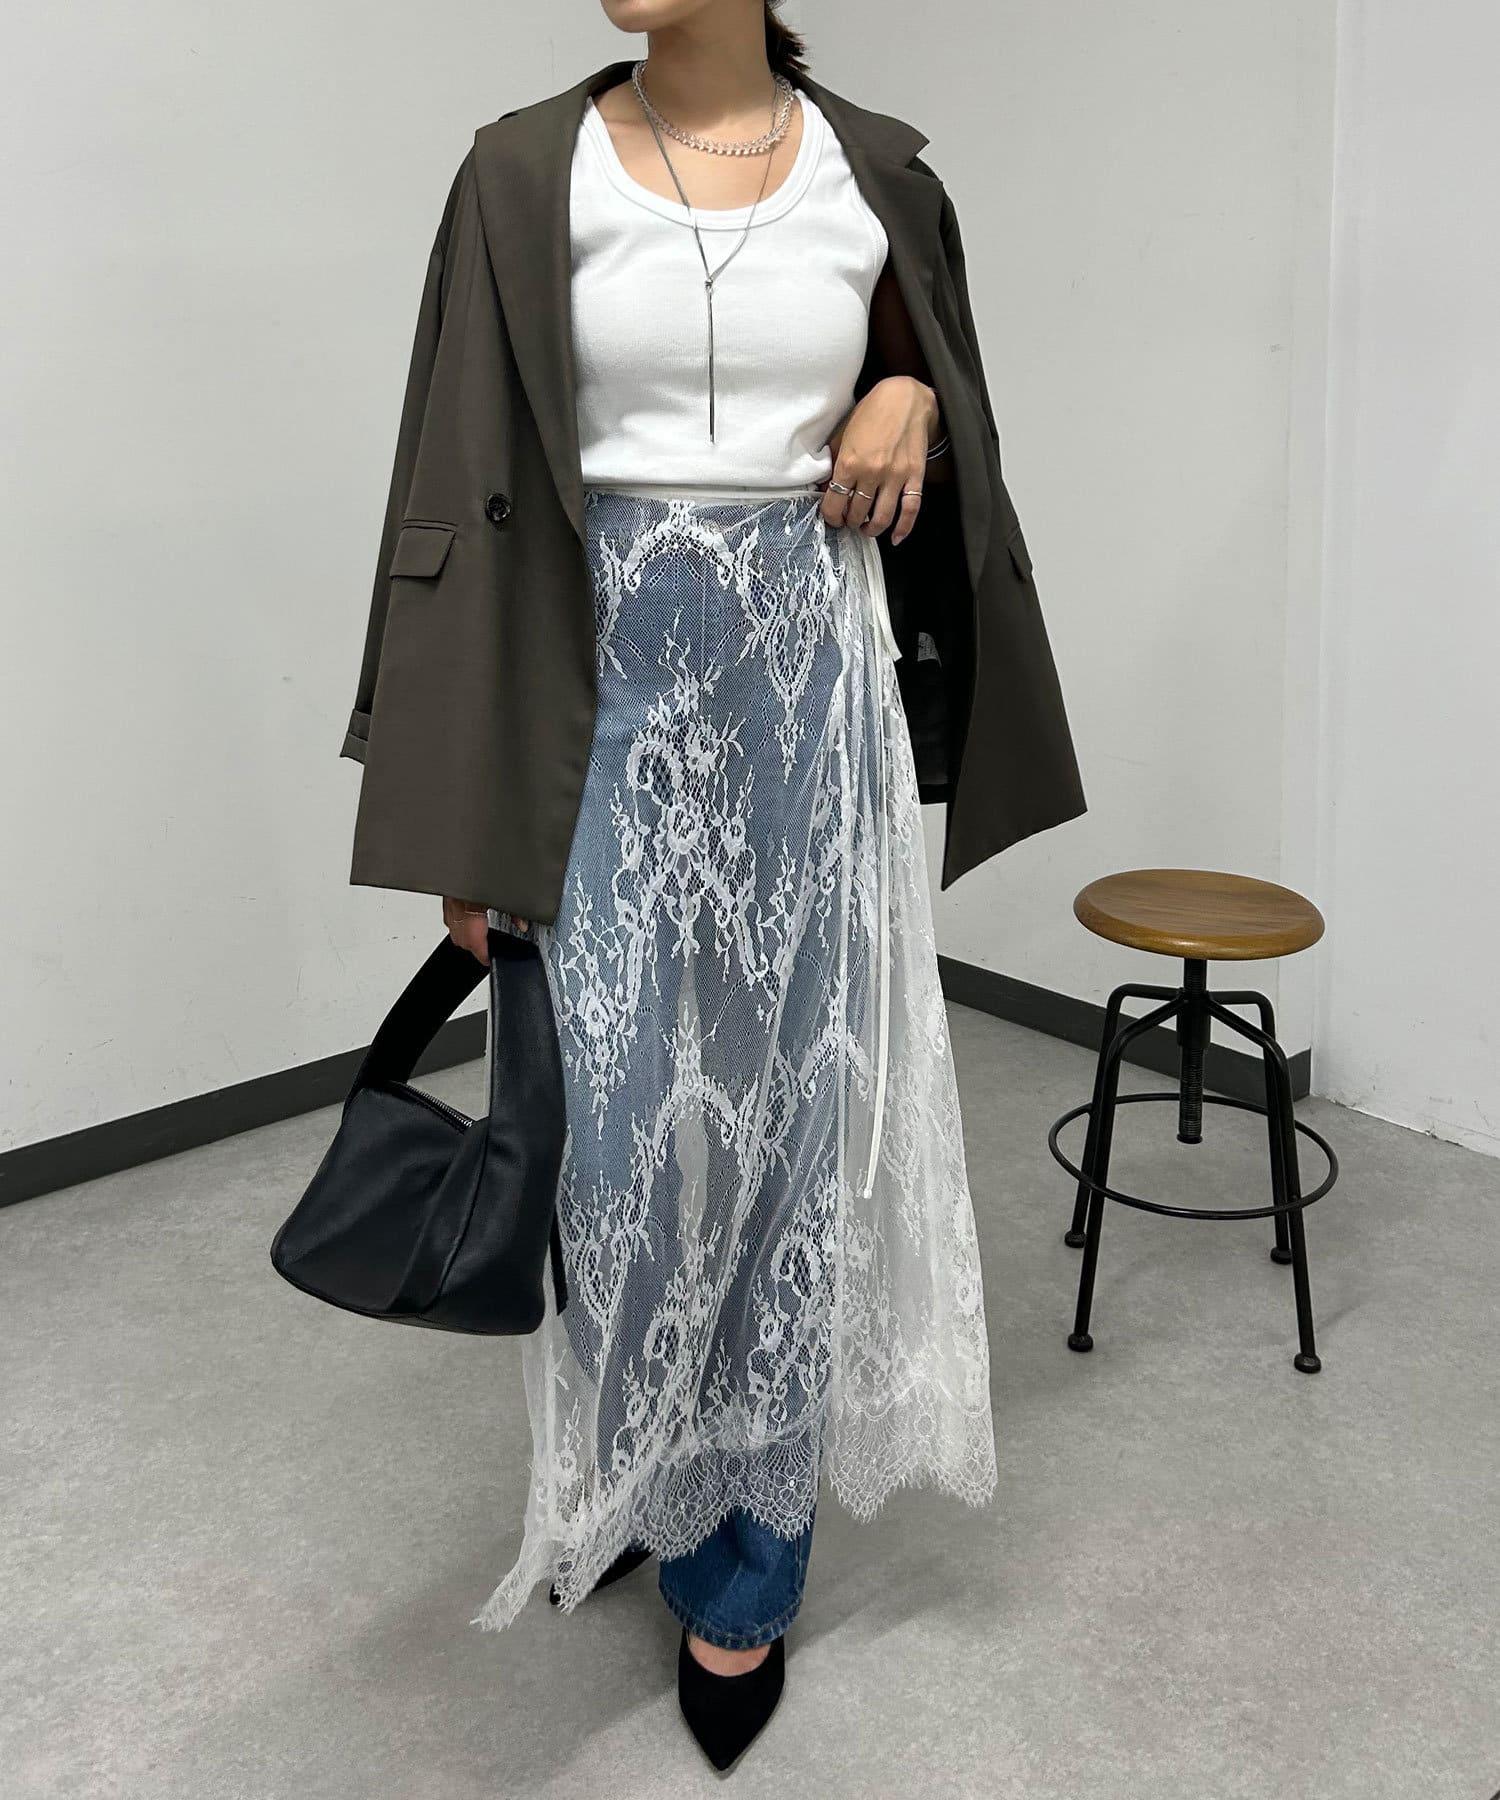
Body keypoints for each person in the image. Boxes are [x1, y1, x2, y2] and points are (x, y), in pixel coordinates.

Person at [341, 0, 1085, 1771]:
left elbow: (948, 413)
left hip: (797, 688)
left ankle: (747, 1557)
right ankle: (634, 1470)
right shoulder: (516, 170)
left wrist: (907, 390)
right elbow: (445, 483)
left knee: (780, 1126)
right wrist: (455, 815)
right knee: (600, 1131)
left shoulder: (874, 172)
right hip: (583, 684)